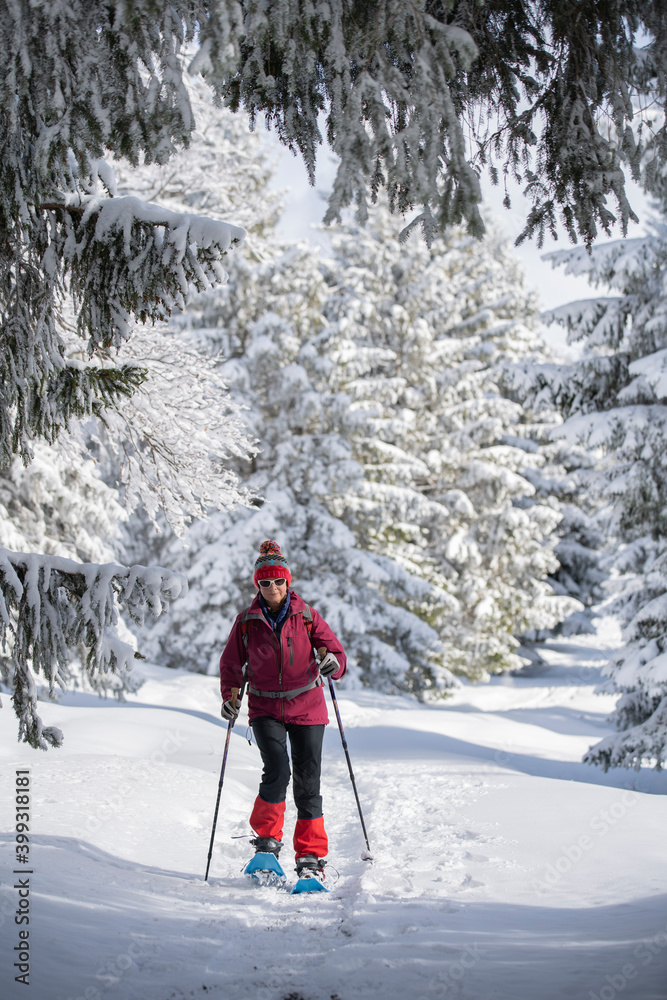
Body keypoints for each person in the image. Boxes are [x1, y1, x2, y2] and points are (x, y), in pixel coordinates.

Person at [219, 540, 346, 883]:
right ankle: (266, 845)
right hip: (264, 707)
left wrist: (333, 663)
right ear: (257, 585)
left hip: (307, 706)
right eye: (265, 582)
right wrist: (230, 697)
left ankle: (310, 856)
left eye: (278, 581)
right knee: (276, 771)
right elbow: (231, 665)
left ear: (288, 582)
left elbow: (335, 653)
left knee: (308, 782)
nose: (272, 588)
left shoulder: (306, 615)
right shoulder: (246, 621)